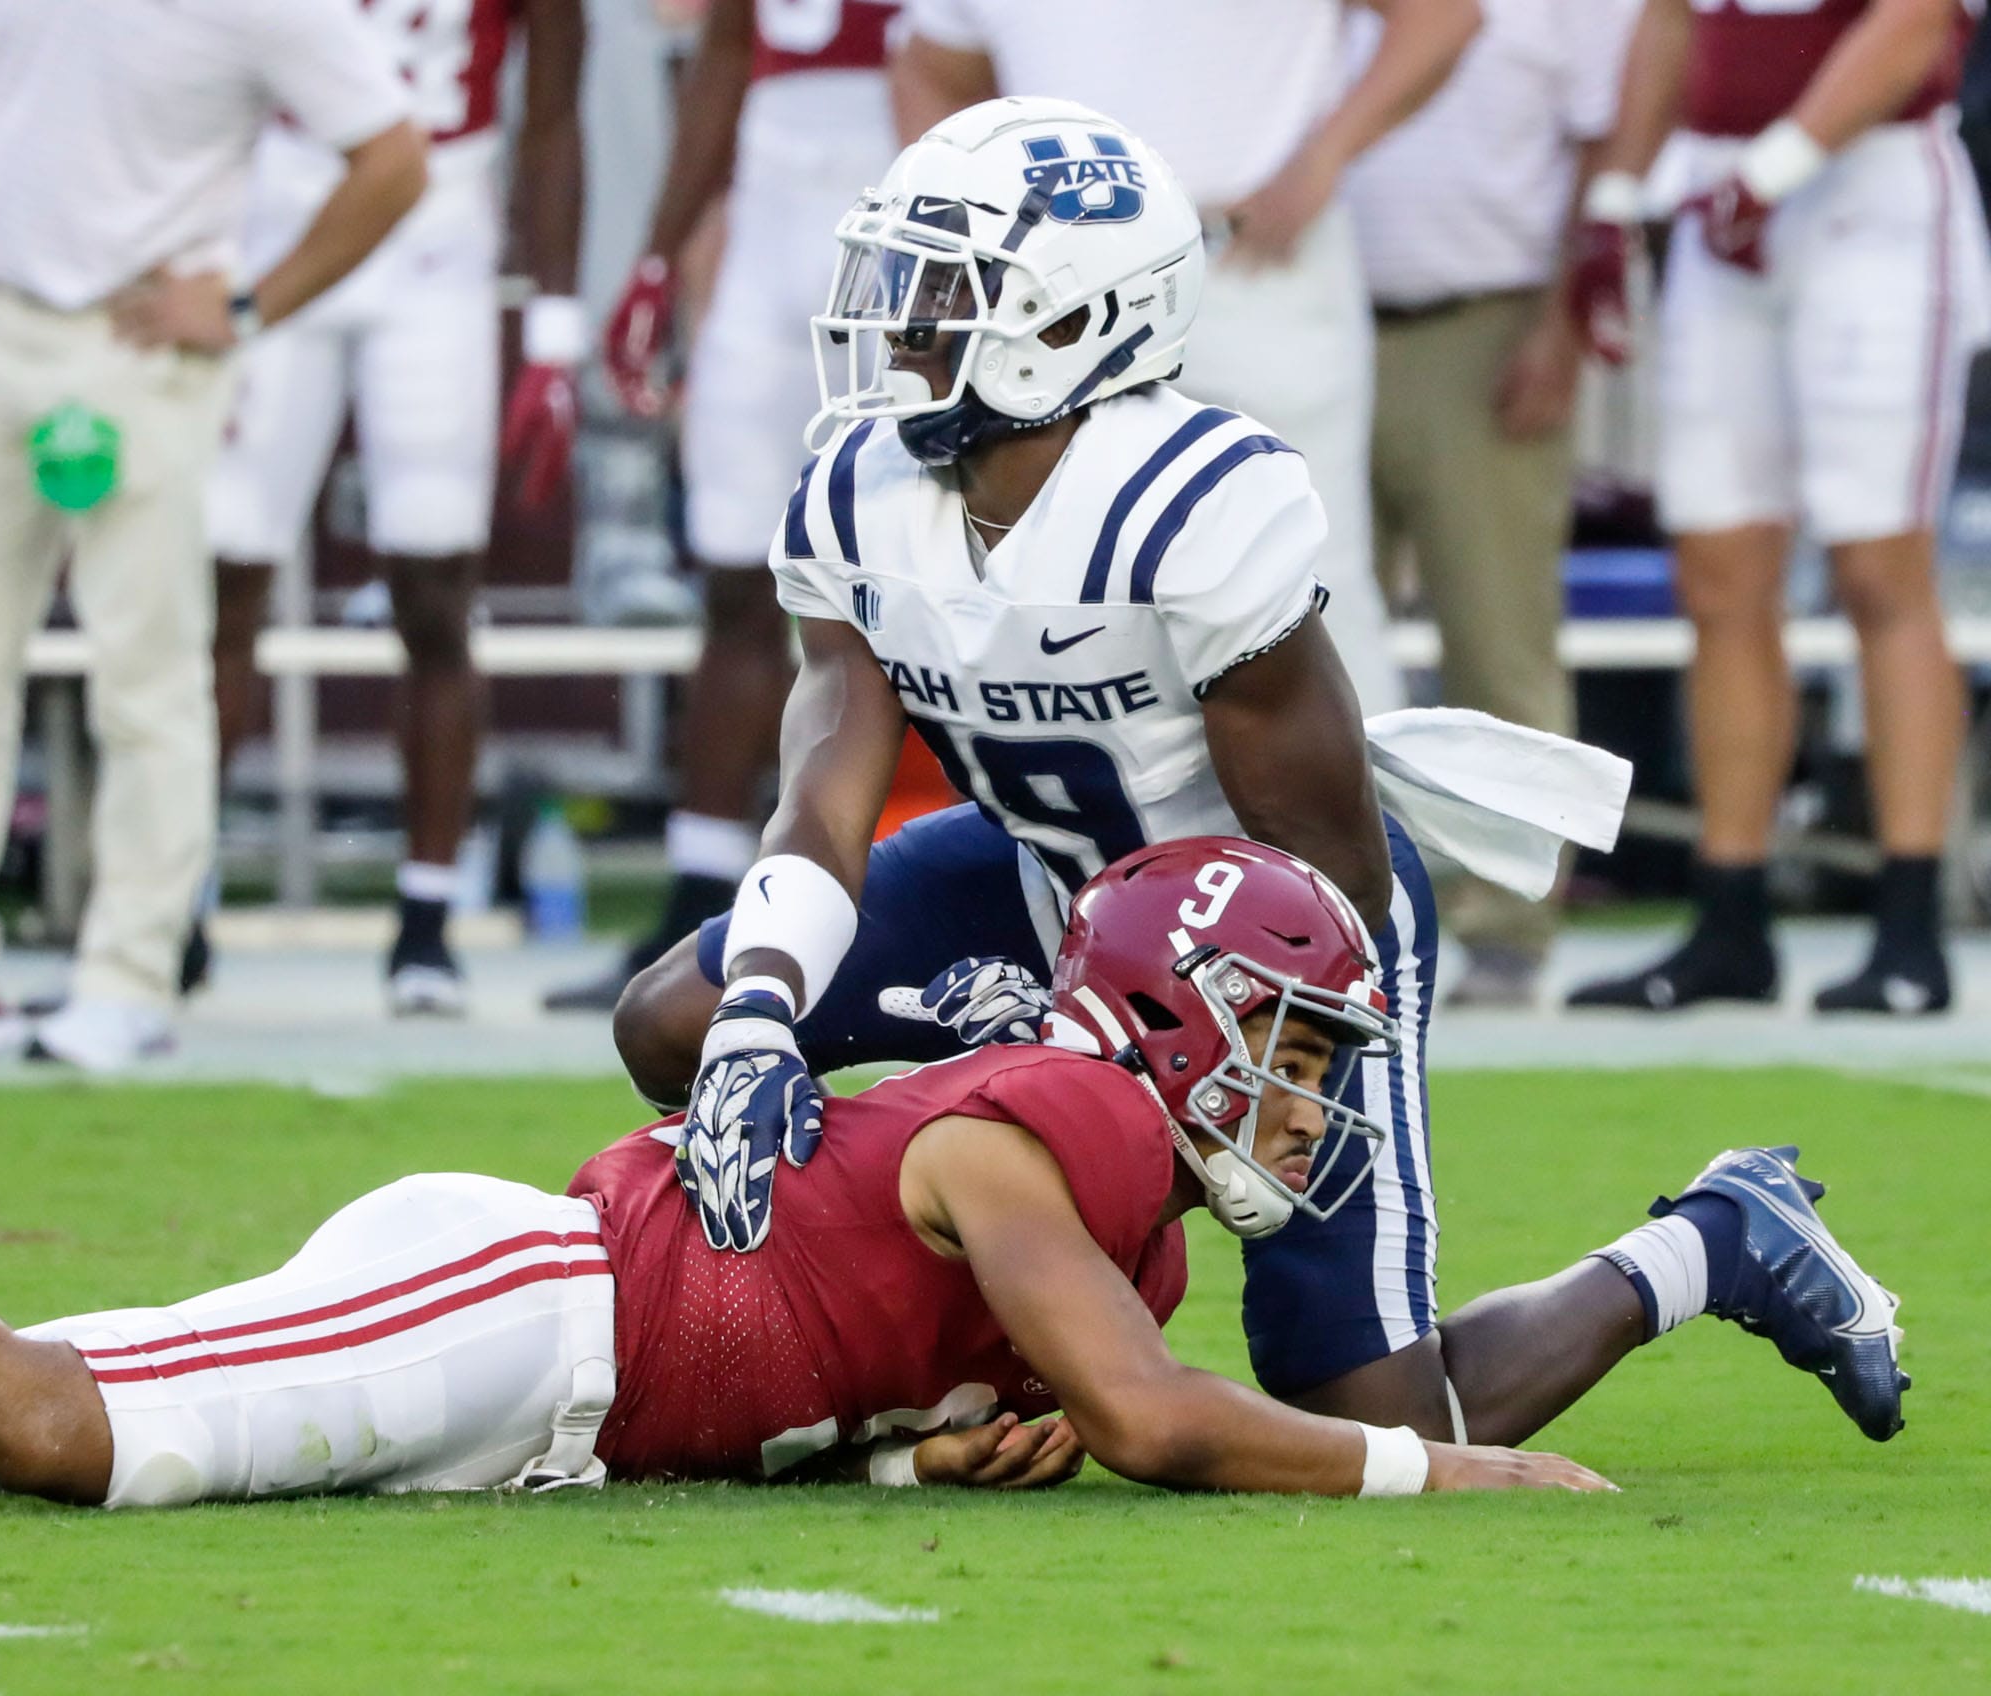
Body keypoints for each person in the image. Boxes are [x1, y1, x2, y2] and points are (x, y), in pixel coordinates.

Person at [0, 840, 1903, 1510]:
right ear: (1190, 1010)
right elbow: (1181, 1419)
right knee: (38, 1427)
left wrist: (977, 1417)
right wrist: (1462, 1464)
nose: (1315, 1094)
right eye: (1298, 1042)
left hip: (568, 1366)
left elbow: (1080, 1380)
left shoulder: (1118, 1173)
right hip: (538, 1310)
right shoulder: (1073, 1117)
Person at [606, 99, 1647, 1455]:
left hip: (1278, 931)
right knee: (675, 1023)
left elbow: (1332, 864)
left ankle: (1704, 1245)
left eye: (944, 290)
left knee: (1374, 1415)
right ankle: (908, 1333)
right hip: (1031, 877)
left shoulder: (1190, 502)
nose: (901, 324)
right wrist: (760, 1009)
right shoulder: (858, 487)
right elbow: (827, 788)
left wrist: (1180, 1093)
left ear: (1072, 322)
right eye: (902, 281)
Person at [0, 0, 427, 1074]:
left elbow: (397, 159)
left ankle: (129, 981)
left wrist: (249, 305)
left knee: (150, 674)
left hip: (146, 342)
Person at [1563, 0, 1986, 1017]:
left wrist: (1778, 169)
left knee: (1880, 565)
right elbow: (1673, 19)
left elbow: (1915, 19)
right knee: (1719, 573)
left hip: (1866, 190)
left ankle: (1908, 918)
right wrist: (1616, 196)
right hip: (1720, 189)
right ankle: (1731, 912)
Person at [891, 0, 1486, 720]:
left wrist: (1324, 157)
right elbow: (931, 66)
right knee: (1063, 594)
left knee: (1305, 587)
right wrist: (973, 238)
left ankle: (1361, 832)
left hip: (1248, 261)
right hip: (1054, 294)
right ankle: (1103, 832)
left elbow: (1442, 16)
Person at [208, 0, 589, 1018]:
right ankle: (171, 900)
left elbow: (552, 111)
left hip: (439, 225)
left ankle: (426, 915)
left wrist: (553, 329)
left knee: (433, 586)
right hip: (284, 200)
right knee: (221, 574)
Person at [549, 0, 908, 1015]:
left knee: (918, 572)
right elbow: (718, 52)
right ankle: (704, 893)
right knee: (739, 576)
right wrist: (662, 255)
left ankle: (922, 880)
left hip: (910, 208)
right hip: (769, 215)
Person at [1344, 0, 1647, 1008]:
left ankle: (1507, 928)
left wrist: (1562, 326)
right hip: (1306, 308)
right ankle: (1312, 916)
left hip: (1485, 317)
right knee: (1290, 636)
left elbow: (1608, 134)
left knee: (1498, 637)